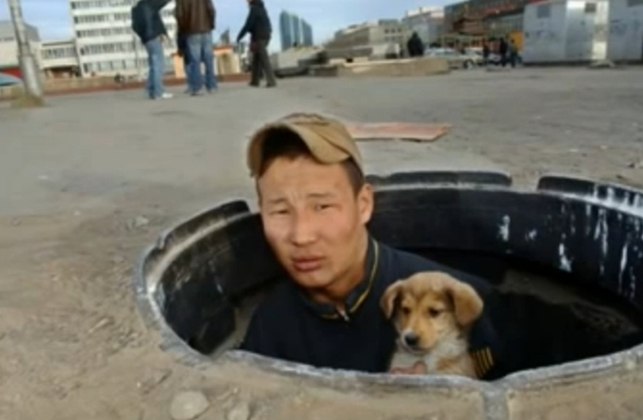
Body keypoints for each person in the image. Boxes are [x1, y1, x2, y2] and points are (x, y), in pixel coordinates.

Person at [238, 113, 506, 379]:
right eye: (281, 211)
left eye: (322, 206)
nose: (301, 235)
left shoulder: (460, 304)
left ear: (363, 204)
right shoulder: (271, 325)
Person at [131, 0, 173, 100]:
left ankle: (151, 90)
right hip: (153, 37)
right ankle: (159, 92)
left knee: (153, 65)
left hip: (146, 39)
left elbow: (134, 26)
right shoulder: (149, 3)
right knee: (158, 64)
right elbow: (161, 2)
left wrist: (143, 35)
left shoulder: (136, 8)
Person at [175, 0, 218, 95]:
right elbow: (212, 10)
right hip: (206, 29)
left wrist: (184, 29)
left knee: (195, 60)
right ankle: (212, 85)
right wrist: (211, 25)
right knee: (208, 59)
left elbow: (180, 15)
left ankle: (197, 87)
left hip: (191, 31)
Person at [236, 0, 277, 88]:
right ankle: (255, 81)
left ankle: (271, 81)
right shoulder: (261, 8)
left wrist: (239, 36)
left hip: (260, 37)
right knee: (256, 59)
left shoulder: (254, 9)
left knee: (264, 59)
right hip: (265, 35)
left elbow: (248, 25)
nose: (246, 2)